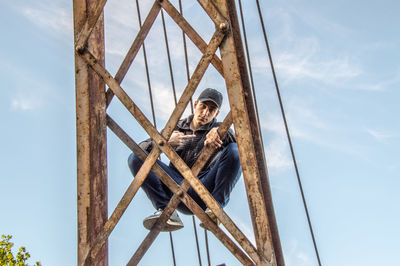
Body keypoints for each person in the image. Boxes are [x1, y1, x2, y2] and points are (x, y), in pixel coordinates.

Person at [128, 88, 241, 231]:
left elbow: (241, 149)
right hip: (175, 185)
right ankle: (166, 211)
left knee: (234, 150)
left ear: (217, 114)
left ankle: (216, 209)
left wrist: (219, 133)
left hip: (204, 187)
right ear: (195, 105)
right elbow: (140, 148)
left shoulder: (220, 129)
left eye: (211, 110)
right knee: (136, 157)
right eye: (203, 106)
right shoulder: (177, 127)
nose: (206, 113)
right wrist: (165, 141)